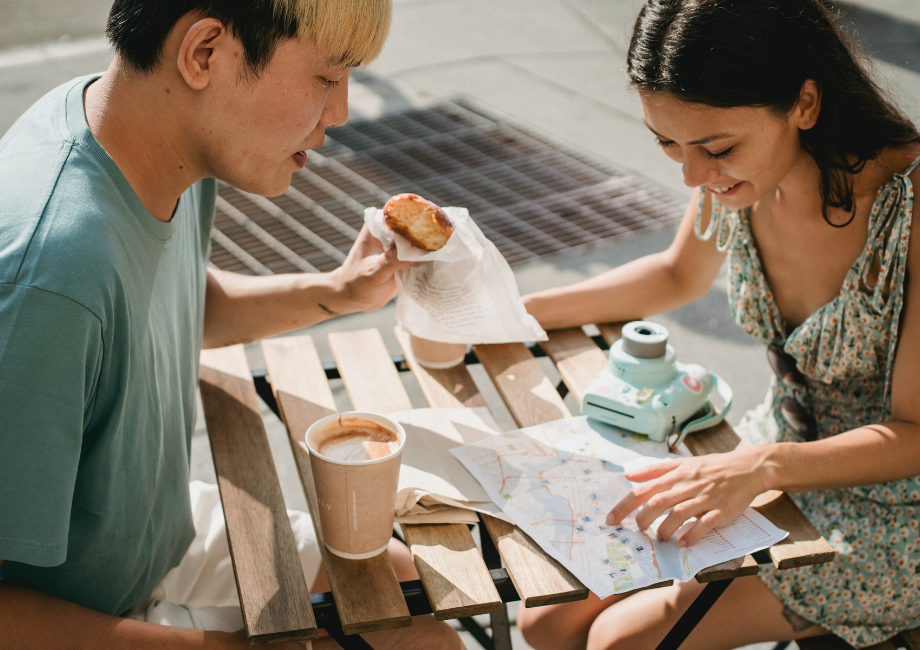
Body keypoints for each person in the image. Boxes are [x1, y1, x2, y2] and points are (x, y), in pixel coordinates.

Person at [0, 0, 463, 648]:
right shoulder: (49, 277)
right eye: (328, 78)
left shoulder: (130, 134)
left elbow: (174, 298)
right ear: (205, 54)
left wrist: (337, 292)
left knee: (404, 599)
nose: (341, 113)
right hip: (82, 611)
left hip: (145, 538)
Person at [519, 1, 920, 649]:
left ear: (805, 104)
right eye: (669, 145)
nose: (692, 176)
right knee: (545, 618)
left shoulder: (911, 206)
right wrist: (514, 316)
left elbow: (916, 433)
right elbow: (677, 275)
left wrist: (760, 467)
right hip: (769, 458)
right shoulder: (737, 179)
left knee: (618, 642)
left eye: (716, 148)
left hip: (894, 511)